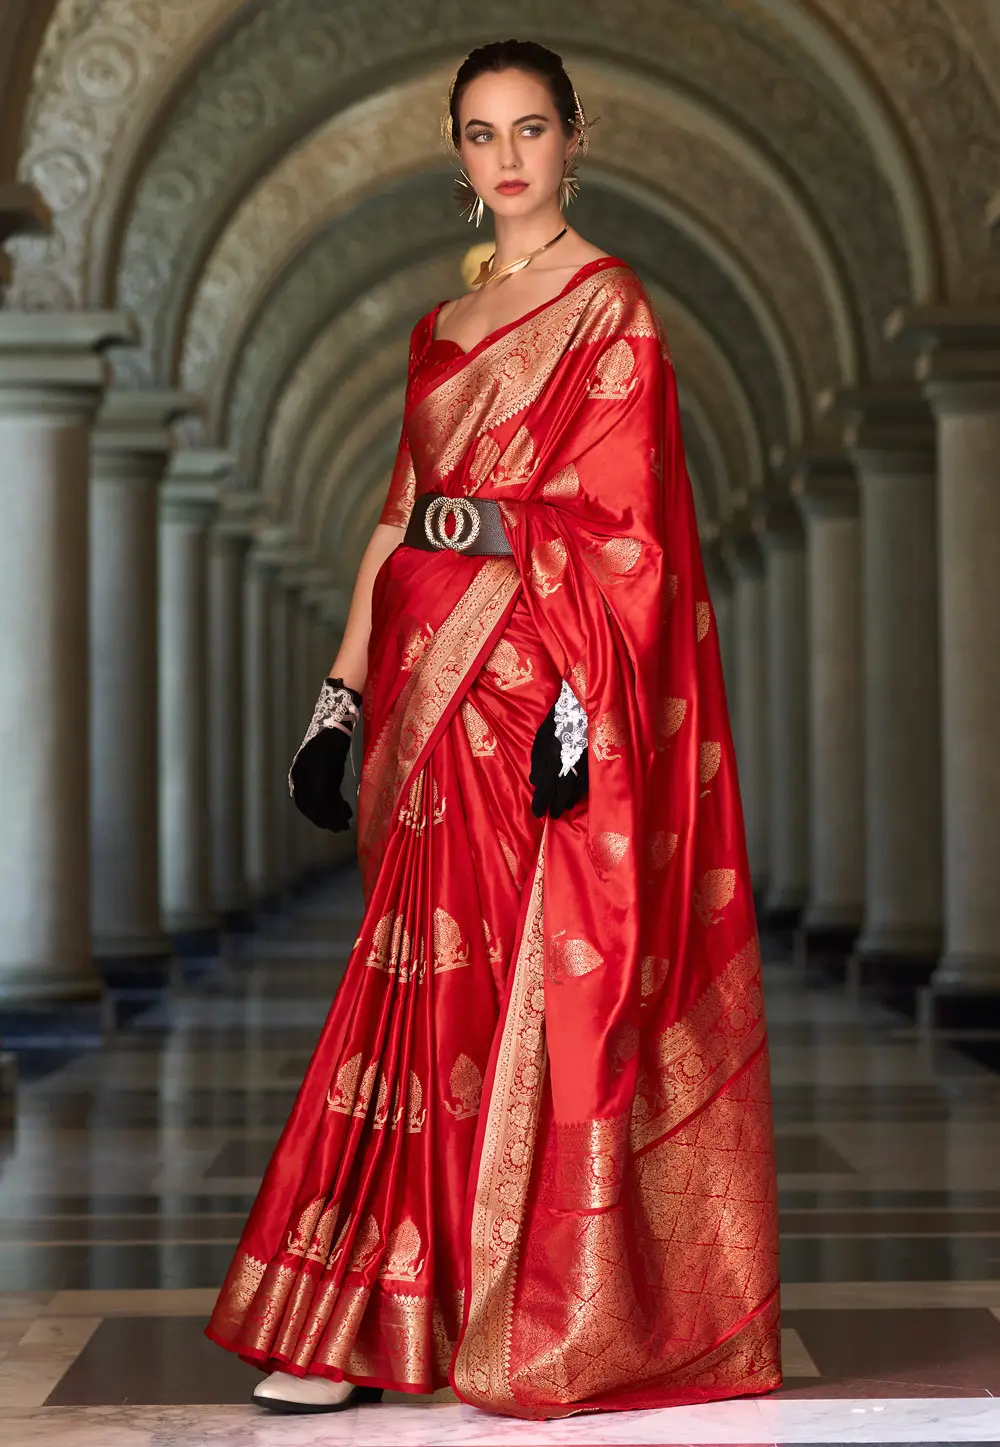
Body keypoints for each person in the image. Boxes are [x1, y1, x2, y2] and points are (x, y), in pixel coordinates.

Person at [206, 38, 781, 1421]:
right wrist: (339, 700)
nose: (509, 154)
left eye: (532, 128)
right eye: (481, 132)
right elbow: (397, 517)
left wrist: (578, 707)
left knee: (510, 998)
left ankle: (506, 1310)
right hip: (421, 683)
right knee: (408, 989)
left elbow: (625, 538)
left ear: (577, 140)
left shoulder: (610, 312)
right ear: (455, 154)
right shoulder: (438, 332)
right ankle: (363, 1312)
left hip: (535, 686)